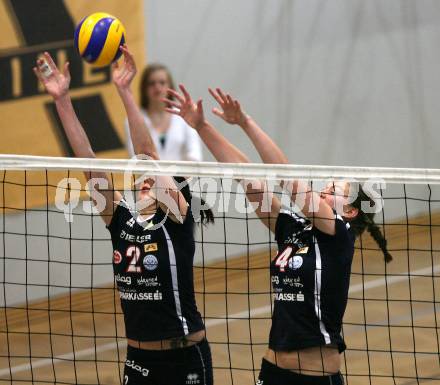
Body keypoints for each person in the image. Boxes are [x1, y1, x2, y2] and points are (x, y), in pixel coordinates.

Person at [163, 85, 392, 385]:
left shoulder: (339, 237)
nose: (325, 189)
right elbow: (248, 176)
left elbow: (287, 176)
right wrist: (202, 126)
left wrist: (246, 122)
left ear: (350, 212)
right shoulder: (293, 228)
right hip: (272, 371)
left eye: (335, 190)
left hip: (314, 377)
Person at [33, 48, 213, 385]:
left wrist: (125, 92)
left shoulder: (177, 222)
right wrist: (61, 100)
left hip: (184, 357)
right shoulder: (121, 220)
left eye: (154, 182)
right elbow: (87, 159)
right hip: (139, 361)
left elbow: (146, 158)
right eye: (141, 182)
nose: (146, 182)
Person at [124, 63, 203, 161]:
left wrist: (179, 176)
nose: (157, 87)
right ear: (144, 88)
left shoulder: (184, 115)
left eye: (162, 82)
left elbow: (195, 154)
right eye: (151, 83)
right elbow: (135, 156)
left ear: (170, 86)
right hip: (149, 175)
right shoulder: (133, 120)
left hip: (184, 175)